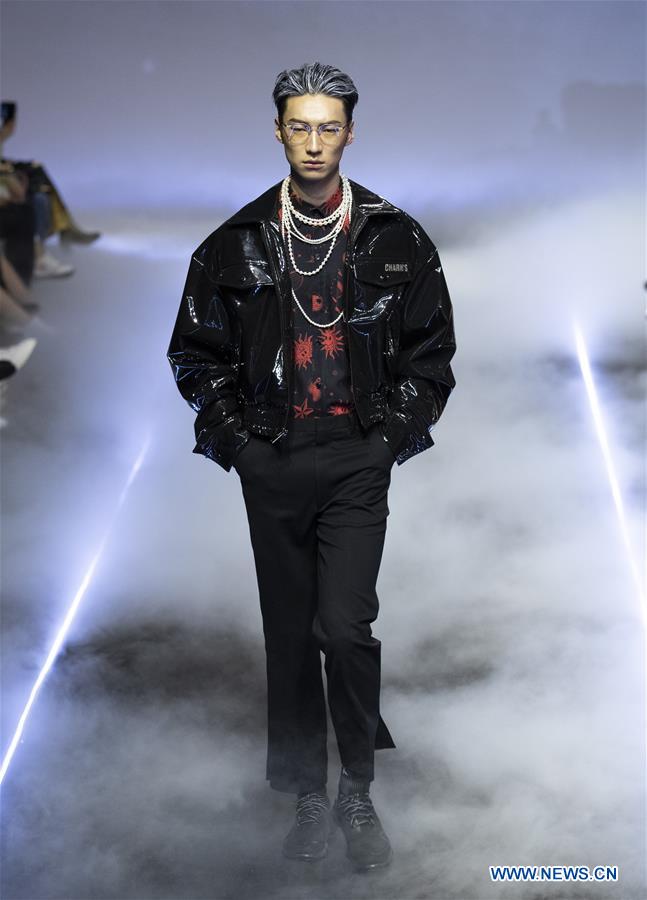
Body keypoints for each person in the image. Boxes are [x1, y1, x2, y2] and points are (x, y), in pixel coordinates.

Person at [167, 61, 457, 871]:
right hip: (275, 456)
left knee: (344, 628)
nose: (314, 142)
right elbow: (195, 354)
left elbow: (431, 355)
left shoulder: (397, 236)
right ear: (278, 132)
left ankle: (355, 789)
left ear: (350, 133)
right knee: (291, 635)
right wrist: (240, 448)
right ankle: (306, 792)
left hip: (357, 456)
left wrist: (386, 440)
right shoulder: (231, 242)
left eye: (329, 127)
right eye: (300, 126)